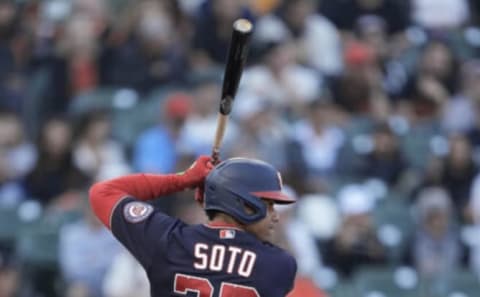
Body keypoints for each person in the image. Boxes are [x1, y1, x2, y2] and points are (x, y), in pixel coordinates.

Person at [89, 155, 297, 296]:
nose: (275, 217)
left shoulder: (169, 241)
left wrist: (184, 179)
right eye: (268, 205)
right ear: (245, 205)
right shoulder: (280, 265)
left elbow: (102, 192)